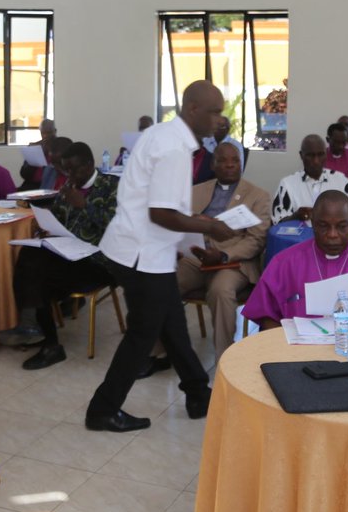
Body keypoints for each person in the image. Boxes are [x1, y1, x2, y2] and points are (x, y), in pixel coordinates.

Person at [85, 81, 238, 433]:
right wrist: (209, 227)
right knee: (143, 334)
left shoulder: (166, 137)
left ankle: (198, 394)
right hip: (142, 254)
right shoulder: (172, 149)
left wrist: (191, 244)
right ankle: (102, 409)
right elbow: (162, 213)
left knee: (173, 325)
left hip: (143, 249)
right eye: (214, 111)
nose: (220, 119)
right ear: (194, 109)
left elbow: (165, 208)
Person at [13, 142, 120, 370]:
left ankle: (39, 332)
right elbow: (59, 219)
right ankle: (41, 334)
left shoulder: (113, 186)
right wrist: (46, 229)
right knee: (30, 254)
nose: (71, 175)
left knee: (37, 271)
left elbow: (118, 228)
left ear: (90, 164)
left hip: (99, 262)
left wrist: (84, 205)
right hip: (68, 256)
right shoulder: (69, 187)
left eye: (75, 169)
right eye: (67, 170)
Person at [241, 190, 348, 328]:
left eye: (341, 226)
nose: (332, 235)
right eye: (323, 226)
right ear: (313, 223)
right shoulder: (284, 263)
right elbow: (265, 316)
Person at [173, 141, 271, 360]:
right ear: (213, 165)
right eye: (223, 160)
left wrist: (224, 255)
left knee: (221, 290)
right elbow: (179, 225)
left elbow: (256, 239)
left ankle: (225, 360)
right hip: (195, 257)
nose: (229, 165)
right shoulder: (195, 191)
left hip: (234, 262)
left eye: (235, 160)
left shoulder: (258, 195)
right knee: (164, 283)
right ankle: (160, 352)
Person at [271, 134, 348, 223]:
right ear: (301, 155)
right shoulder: (288, 184)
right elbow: (277, 221)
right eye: (310, 155)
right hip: (301, 238)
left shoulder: (341, 180)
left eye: (320, 155)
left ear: (326, 154)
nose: (316, 161)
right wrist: (296, 216)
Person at [20, 119, 57, 188]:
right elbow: (23, 174)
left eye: (48, 133)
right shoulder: (35, 146)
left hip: (51, 186)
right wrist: (34, 157)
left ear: (54, 131)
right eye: (43, 133)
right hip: (32, 185)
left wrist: (49, 152)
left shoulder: (60, 146)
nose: (45, 136)